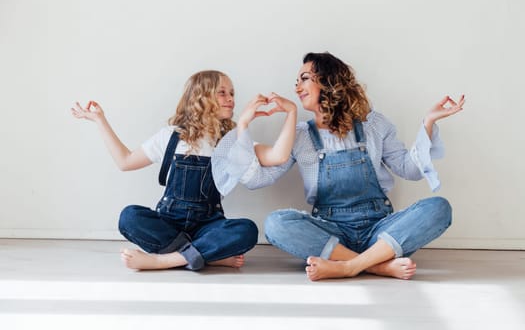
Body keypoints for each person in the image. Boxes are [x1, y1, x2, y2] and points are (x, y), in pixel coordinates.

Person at [212, 52, 465, 281]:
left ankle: (347, 266)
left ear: (328, 81)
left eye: (304, 78)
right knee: (276, 223)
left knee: (438, 208)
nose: (297, 87)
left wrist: (428, 123)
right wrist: (243, 127)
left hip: (380, 231)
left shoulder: (374, 125)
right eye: (296, 82)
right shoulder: (300, 135)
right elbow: (259, 180)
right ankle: (376, 265)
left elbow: (409, 169)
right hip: (332, 233)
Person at [71, 70, 293, 271]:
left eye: (232, 93)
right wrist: (100, 120)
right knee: (129, 217)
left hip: (209, 225)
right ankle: (206, 255)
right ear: (201, 97)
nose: (231, 99)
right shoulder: (170, 136)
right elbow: (125, 161)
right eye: (222, 93)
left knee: (246, 230)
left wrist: (291, 112)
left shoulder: (231, 142)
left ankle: (165, 260)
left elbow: (278, 156)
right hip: (170, 223)